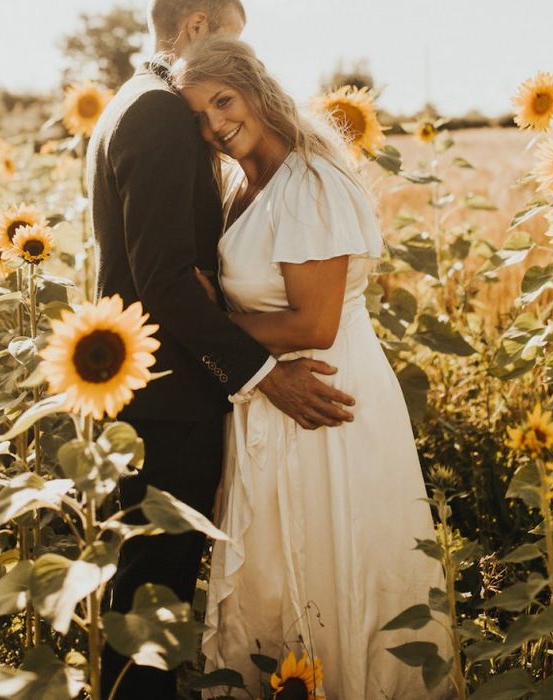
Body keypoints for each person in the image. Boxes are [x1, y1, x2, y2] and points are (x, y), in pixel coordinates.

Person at [86, 2, 356, 698]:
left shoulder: (128, 102)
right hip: (170, 403)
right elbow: (167, 281)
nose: (244, 59)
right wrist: (264, 373)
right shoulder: (161, 115)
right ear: (198, 23)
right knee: (153, 600)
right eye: (234, 36)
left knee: (143, 595)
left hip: (142, 391)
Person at [173, 38, 452, 699]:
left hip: (326, 401)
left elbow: (313, 324)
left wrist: (203, 324)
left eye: (223, 101)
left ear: (256, 90)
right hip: (270, 397)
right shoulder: (245, 185)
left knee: (338, 566)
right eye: (200, 117)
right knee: (279, 575)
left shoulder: (310, 181)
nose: (215, 125)